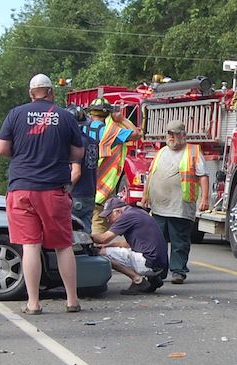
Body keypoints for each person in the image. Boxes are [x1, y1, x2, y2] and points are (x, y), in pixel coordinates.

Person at [0, 73, 85, 315]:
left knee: (30, 246)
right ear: (51, 92)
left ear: (31, 93)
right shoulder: (65, 116)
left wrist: (23, 154)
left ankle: (33, 303)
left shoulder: (15, 114)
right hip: (53, 189)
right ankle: (72, 300)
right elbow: (78, 153)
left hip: (21, 187)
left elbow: (1, 148)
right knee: (63, 246)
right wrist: (58, 156)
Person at [143, 119, 209, 284]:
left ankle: (178, 271)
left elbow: (203, 176)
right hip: (159, 206)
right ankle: (159, 270)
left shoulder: (192, 152)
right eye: (169, 134)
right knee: (158, 241)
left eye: (175, 134)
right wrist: (145, 195)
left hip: (180, 206)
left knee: (179, 241)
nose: (172, 137)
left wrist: (205, 198)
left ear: (183, 135)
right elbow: (151, 175)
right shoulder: (162, 152)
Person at [83, 97, 140, 234]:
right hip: (101, 191)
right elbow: (136, 134)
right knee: (98, 226)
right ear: (108, 114)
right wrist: (122, 120)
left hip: (81, 187)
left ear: (90, 113)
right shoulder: (111, 133)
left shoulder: (81, 128)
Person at [90, 195, 169, 294]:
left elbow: (103, 239)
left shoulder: (126, 216)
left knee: (101, 253)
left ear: (118, 211)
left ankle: (138, 281)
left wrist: (85, 236)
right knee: (112, 249)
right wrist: (108, 246)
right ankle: (153, 279)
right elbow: (129, 244)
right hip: (159, 264)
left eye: (109, 216)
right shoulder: (138, 212)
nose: (108, 220)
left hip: (148, 263)